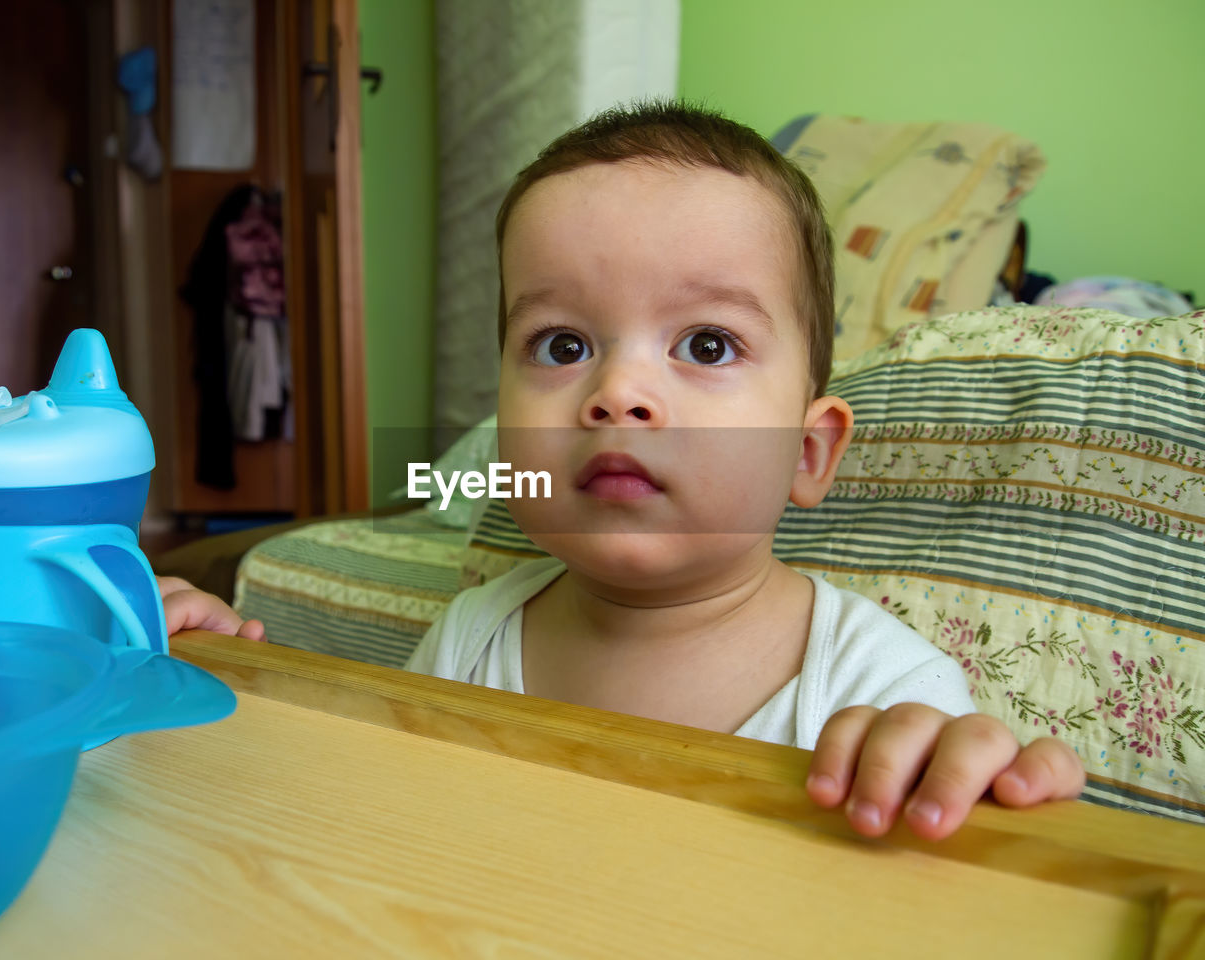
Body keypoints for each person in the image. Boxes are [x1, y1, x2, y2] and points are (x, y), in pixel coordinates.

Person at [160, 101, 1085, 841]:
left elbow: (965, 863)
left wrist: (960, 784)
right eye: (561, 343)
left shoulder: (876, 687)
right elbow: (381, 817)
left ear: (807, 455)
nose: (618, 392)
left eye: (708, 344)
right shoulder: (475, 637)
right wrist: (227, 682)